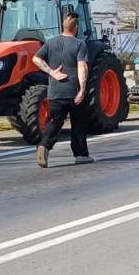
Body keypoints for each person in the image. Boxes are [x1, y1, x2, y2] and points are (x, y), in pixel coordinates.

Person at [32, 11, 93, 167]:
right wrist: (82, 89)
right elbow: (82, 66)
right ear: (76, 27)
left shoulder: (50, 43)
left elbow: (36, 58)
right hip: (73, 92)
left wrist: (52, 72)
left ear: (63, 26)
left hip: (55, 92)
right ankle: (81, 155)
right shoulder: (80, 44)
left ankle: (44, 146)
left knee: (55, 122)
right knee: (78, 123)